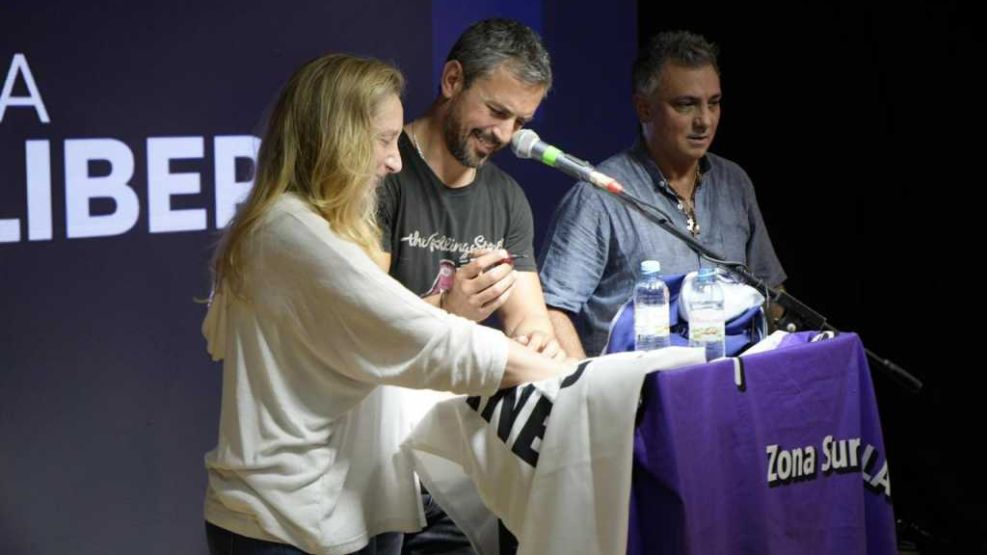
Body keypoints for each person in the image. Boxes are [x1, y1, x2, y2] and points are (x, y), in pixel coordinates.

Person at [201, 53, 568, 555]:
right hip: (285, 527)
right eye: (384, 139)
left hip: (318, 515)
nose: (395, 161)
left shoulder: (290, 227)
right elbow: (422, 336)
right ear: (335, 137)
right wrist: (567, 379)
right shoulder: (291, 234)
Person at [539, 30, 787, 358]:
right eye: (686, 105)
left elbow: (775, 297)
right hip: (638, 400)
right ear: (644, 108)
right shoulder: (598, 197)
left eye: (713, 104)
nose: (704, 121)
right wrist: (587, 391)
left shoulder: (734, 183)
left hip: (731, 393)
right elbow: (551, 310)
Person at [376, 18, 567, 361]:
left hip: (459, 399)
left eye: (520, 122)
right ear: (452, 80)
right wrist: (449, 308)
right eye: (497, 111)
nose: (505, 135)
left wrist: (539, 342)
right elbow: (362, 325)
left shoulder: (508, 198)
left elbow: (530, 320)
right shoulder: (381, 171)